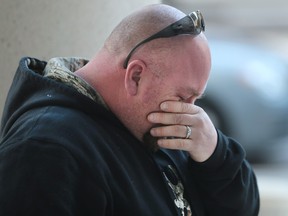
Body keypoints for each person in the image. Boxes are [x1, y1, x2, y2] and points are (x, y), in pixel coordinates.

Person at [0, 3, 259, 216]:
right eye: (183, 96)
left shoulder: (159, 123)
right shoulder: (44, 151)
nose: (192, 113)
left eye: (196, 99)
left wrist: (215, 152)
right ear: (135, 76)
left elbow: (244, 209)